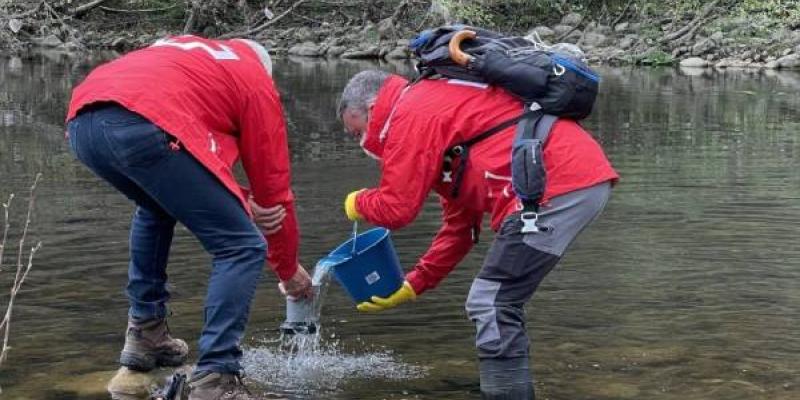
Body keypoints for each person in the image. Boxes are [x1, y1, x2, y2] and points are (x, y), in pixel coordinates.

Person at [337, 70, 619, 399]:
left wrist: (358, 202)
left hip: (556, 183)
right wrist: (415, 283)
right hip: (573, 179)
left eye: (358, 131)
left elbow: (397, 208)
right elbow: (460, 228)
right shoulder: (435, 110)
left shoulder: (409, 112)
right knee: (497, 299)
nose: (363, 144)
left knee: (491, 302)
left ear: (373, 107)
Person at [65, 35, 312, 399]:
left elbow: (190, 175)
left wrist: (241, 200)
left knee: (156, 206)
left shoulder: (190, 53)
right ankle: (216, 375)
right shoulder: (254, 79)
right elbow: (274, 193)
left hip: (83, 123)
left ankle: (146, 335)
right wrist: (288, 272)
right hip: (144, 122)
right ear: (266, 70)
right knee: (241, 246)